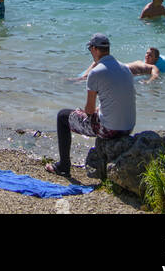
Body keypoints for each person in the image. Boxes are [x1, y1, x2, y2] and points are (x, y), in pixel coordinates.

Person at [49, 34, 136, 179]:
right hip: (128, 127)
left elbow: (89, 110)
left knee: (63, 116)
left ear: (95, 49)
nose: (90, 52)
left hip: (111, 130)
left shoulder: (96, 72)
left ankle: (63, 166)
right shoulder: (125, 68)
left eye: (90, 49)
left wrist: (83, 112)